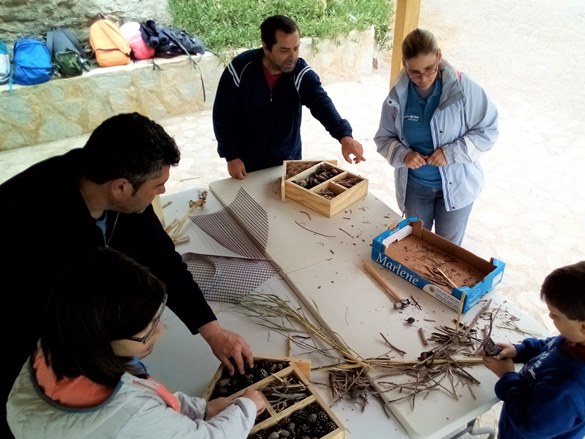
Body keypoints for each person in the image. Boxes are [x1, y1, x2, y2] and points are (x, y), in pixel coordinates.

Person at [0, 112, 252, 439]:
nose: (161, 193)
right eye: (157, 186)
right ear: (120, 187)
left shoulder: (116, 189)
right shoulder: (27, 219)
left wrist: (212, 330)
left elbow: (163, 258)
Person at [7, 247, 266, 438]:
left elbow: (143, 393)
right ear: (103, 338)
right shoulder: (127, 414)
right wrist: (247, 407)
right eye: (148, 331)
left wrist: (200, 409)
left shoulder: (59, 344)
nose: (161, 332)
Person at [482, 260, 585, 438]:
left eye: (555, 315)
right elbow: (553, 345)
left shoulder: (571, 390)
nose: (550, 316)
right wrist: (520, 350)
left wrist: (507, 377)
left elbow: (528, 425)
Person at [374, 28, 499, 245]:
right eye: (415, 72)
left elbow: (488, 130)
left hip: (457, 186)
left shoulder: (464, 88)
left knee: (447, 252)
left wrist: (450, 153)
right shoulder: (397, 96)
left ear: (439, 56)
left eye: (430, 68)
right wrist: (404, 155)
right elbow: (384, 138)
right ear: (404, 64)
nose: (423, 78)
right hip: (415, 188)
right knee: (415, 245)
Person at [212, 14, 365, 179]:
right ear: (266, 47)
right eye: (284, 50)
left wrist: (344, 136)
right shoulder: (239, 70)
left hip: (287, 162)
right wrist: (231, 156)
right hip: (246, 164)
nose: (292, 57)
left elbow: (321, 103)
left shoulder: (300, 74)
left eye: (296, 48)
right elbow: (223, 115)